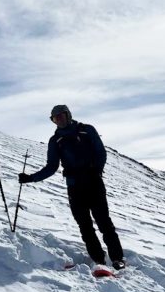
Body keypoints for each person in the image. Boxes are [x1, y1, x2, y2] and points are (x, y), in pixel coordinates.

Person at [18, 105, 125, 270]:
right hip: (74, 187)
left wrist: (95, 172)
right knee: (85, 225)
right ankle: (99, 261)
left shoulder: (87, 130)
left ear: (68, 115)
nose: (58, 120)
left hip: (93, 183)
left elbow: (100, 152)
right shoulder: (55, 141)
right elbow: (52, 166)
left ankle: (117, 258)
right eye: (54, 119)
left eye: (60, 116)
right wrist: (31, 178)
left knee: (104, 222)